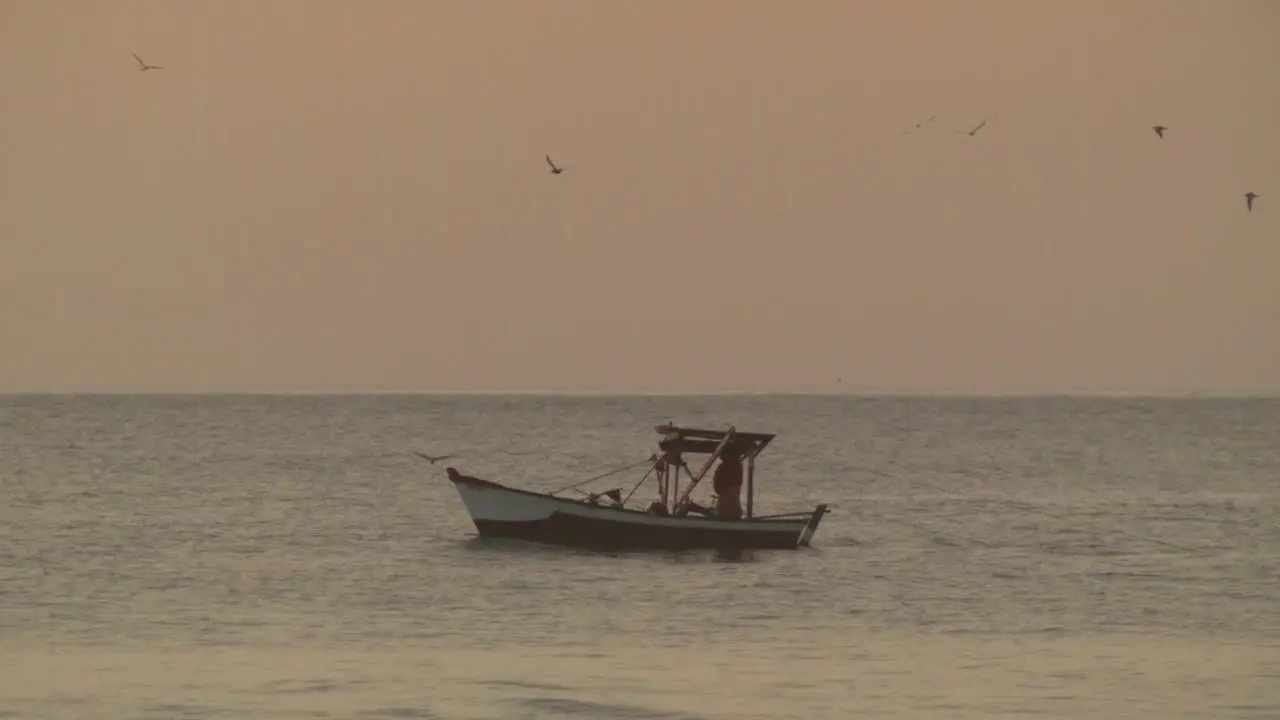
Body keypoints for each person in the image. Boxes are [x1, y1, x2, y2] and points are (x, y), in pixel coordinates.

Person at [712, 451, 744, 519]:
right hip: (728, 496)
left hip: (727, 497)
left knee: (727, 508)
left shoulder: (729, 466)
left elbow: (718, 484)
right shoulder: (737, 465)